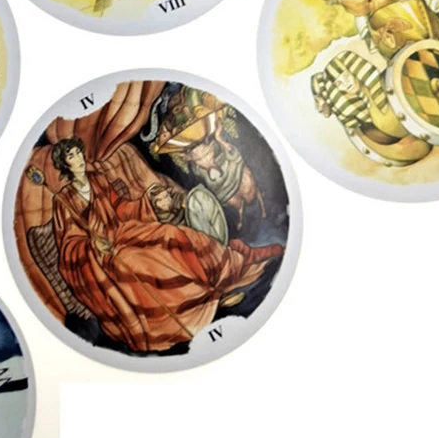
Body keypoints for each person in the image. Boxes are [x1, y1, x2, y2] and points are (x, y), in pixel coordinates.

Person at [48, 137, 282, 353]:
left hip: (124, 232)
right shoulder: (63, 201)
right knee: (139, 261)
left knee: (170, 234)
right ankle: (201, 302)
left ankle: (217, 281)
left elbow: (121, 208)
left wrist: (147, 201)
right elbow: (69, 248)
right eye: (72, 156)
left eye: (79, 153)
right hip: (102, 255)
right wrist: (92, 247)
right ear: (64, 164)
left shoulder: (98, 180)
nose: (79, 159)